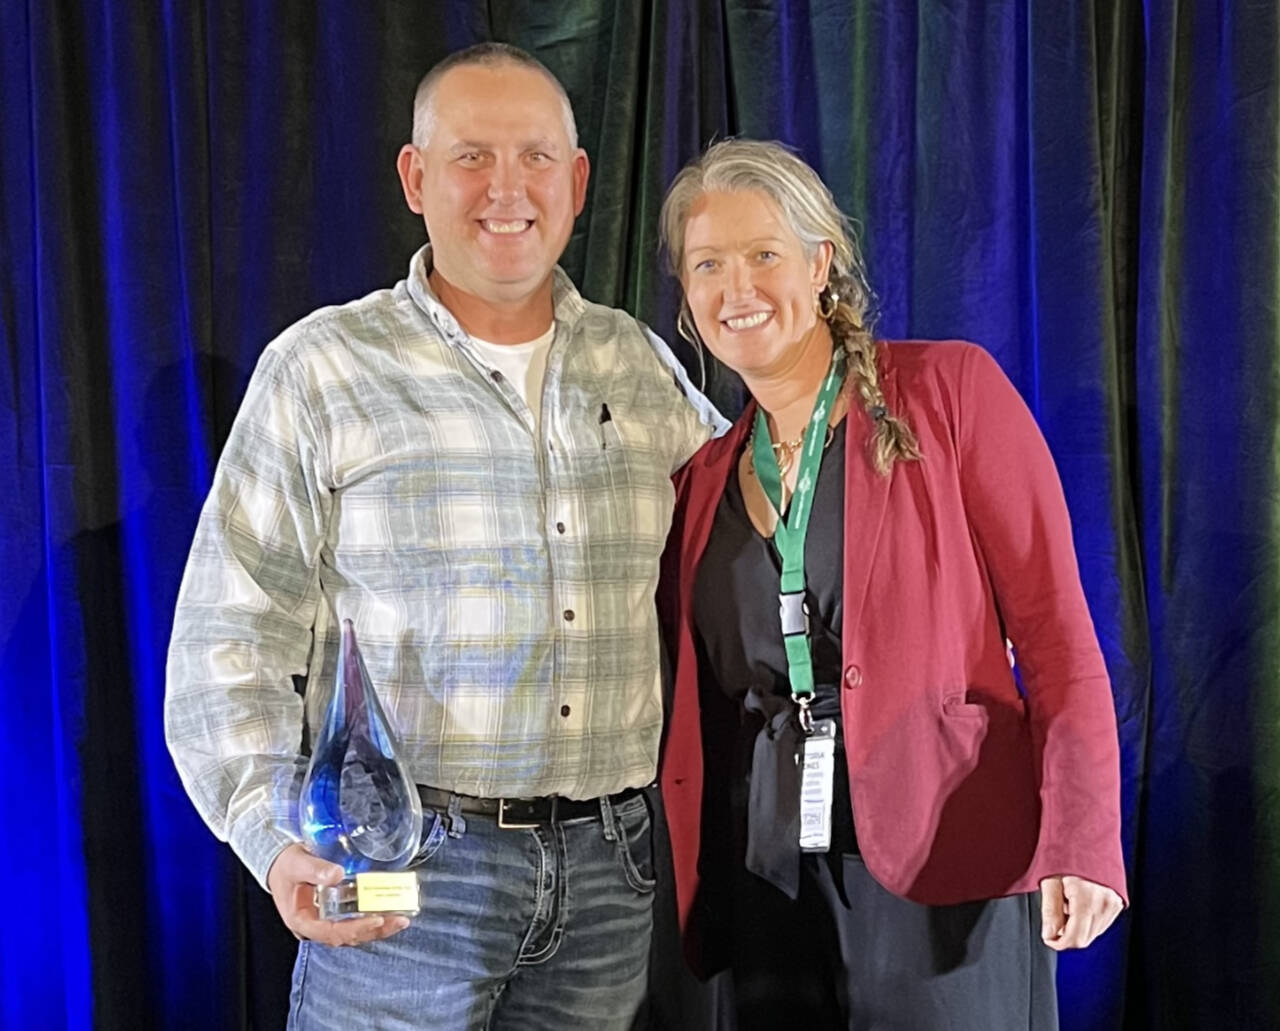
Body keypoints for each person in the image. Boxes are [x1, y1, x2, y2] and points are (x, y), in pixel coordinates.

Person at [165, 43, 724, 1030]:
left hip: (610, 874)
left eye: (535, 158)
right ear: (415, 179)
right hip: (400, 872)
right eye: (470, 156)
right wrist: (269, 834)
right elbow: (231, 635)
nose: (505, 188)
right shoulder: (322, 368)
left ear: (579, 181)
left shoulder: (638, 366)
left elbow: (765, 527)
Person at [655, 139, 1127, 1028]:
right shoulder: (704, 477)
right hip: (768, 877)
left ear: (820, 261)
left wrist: (1084, 833)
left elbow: (1059, 636)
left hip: (943, 861)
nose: (737, 288)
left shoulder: (949, 395)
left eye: (764, 255)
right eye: (707, 264)